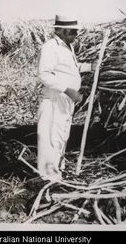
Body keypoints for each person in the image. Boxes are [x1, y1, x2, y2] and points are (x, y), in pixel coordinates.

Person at [37, 14, 96, 180]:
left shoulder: (66, 46)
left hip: (64, 101)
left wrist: (90, 66)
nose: (75, 36)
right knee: (50, 138)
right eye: (72, 32)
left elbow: (70, 68)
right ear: (62, 31)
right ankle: (48, 177)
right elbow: (44, 74)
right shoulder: (50, 47)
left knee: (61, 135)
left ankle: (57, 171)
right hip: (54, 100)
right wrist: (68, 90)